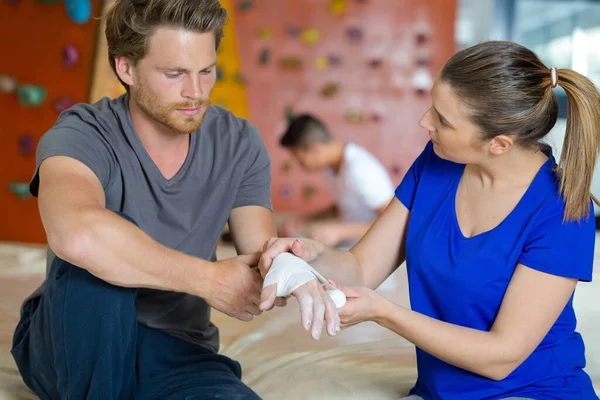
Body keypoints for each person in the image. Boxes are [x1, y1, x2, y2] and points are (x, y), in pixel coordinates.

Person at [10, 0, 336, 398]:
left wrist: (286, 263)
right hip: (72, 338)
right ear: (125, 68)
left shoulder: (238, 142)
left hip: (178, 347)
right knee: (99, 251)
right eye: (174, 74)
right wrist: (209, 279)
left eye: (206, 71)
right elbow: (76, 236)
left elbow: (259, 251)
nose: (195, 92)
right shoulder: (81, 134)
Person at [259, 41, 600, 399]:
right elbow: (361, 269)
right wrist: (310, 255)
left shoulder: (562, 213)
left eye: (443, 119)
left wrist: (386, 314)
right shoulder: (437, 162)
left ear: (498, 144)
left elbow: (501, 357)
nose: (425, 122)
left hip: (533, 391)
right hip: (438, 391)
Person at [279, 114, 395, 248]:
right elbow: (346, 205)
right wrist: (306, 219)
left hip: (376, 250)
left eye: (299, 158)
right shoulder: (332, 169)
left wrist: (340, 231)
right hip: (353, 245)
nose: (299, 164)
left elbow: (393, 222)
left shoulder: (360, 169)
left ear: (315, 148)